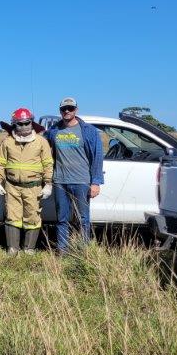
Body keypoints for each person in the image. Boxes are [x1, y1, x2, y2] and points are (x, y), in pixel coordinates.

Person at [45, 97, 104, 253]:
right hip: (60, 181)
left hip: (82, 181)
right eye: (64, 109)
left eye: (70, 108)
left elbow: (97, 157)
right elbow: (40, 144)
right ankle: (62, 250)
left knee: (83, 219)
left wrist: (96, 182)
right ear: (60, 111)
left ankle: (83, 250)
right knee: (61, 219)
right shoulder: (54, 131)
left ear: (76, 110)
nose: (67, 111)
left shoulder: (89, 131)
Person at [0, 108, 54, 256]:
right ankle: (13, 249)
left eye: (27, 123)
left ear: (32, 123)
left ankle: (29, 249)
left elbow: (48, 164)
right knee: (12, 218)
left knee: (32, 217)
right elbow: (0, 163)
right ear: (14, 125)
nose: (24, 126)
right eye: (20, 124)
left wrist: (48, 184)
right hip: (12, 186)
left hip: (33, 187)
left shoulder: (41, 142)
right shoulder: (8, 142)